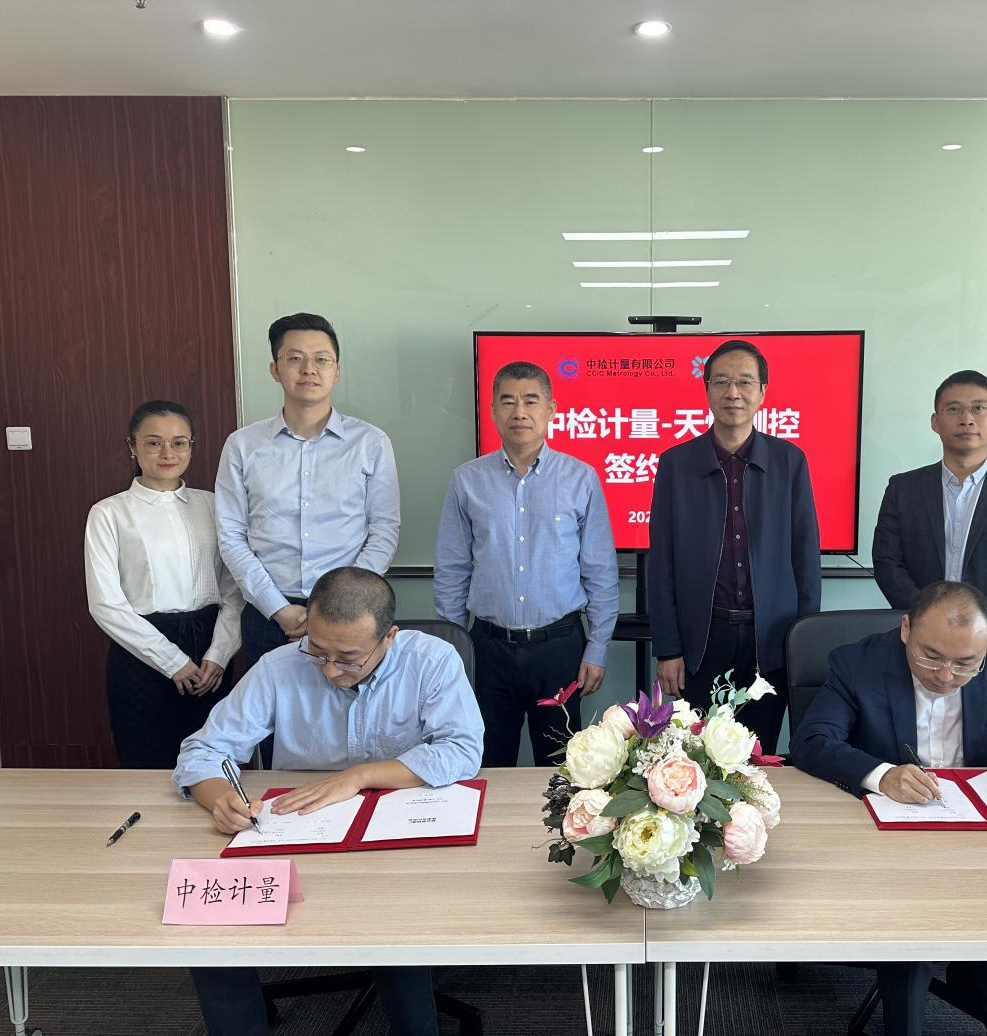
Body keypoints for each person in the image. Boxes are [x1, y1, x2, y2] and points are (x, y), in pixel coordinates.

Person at [791, 581, 987, 1036]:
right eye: (930, 657)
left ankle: (985, 990)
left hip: (978, 832)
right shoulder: (857, 663)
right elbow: (812, 741)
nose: (945, 675)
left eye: (965, 664)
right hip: (885, 835)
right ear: (906, 629)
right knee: (913, 924)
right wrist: (882, 775)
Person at [173, 566, 484, 1036]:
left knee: (394, 926)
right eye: (318, 651)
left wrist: (358, 777)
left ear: (389, 637)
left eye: (349, 658)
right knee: (209, 928)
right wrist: (220, 798)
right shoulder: (279, 667)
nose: (331, 669)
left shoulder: (432, 661)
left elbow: (461, 750)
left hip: (399, 843)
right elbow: (202, 751)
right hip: (303, 839)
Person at [434, 361, 618, 766]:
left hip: (560, 649)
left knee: (563, 772)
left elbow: (600, 573)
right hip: (487, 648)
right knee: (485, 765)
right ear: (493, 410)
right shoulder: (467, 480)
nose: (519, 412)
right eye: (508, 401)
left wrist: (597, 648)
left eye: (531, 401)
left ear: (551, 409)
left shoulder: (581, 478)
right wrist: (454, 650)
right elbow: (452, 570)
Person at [648, 338, 821, 753]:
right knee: (696, 758)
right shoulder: (676, 463)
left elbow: (805, 560)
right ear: (706, 389)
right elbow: (661, 565)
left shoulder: (789, 461)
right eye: (721, 381)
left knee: (760, 758)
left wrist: (802, 645)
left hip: (772, 641)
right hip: (701, 641)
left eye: (745, 381)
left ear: (762, 391)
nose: (733, 392)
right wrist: (668, 648)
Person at [214, 312, 400, 668]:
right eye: (295, 358)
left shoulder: (371, 443)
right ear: (275, 369)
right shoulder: (242, 445)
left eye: (321, 359)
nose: (309, 369)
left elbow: (384, 530)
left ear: (337, 371)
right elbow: (231, 535)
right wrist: (277, 607)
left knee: (350, 703)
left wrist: (340, 602)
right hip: (269, 616)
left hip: (352, 614)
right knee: (270, 705)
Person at [85, 400, 242, 769]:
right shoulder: (109, 513)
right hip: (141, 650)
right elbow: (105, 603)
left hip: (209, 650)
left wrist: (220, 653)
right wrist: (172, 661)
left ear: (191, 446)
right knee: (146, 762)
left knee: (212, 761)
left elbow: (234, 590)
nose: (168, 453)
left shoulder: (213, 505)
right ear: (132, 446)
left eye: (179, 442)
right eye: (154, 443)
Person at [871, 369, 987, 653]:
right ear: (935, 421)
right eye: (954, 409)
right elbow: (887, 562)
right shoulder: (902, 488)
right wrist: (927, 622)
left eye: (979, 408)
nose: (967, 419)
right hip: (918, 642)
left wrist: (981, 629)